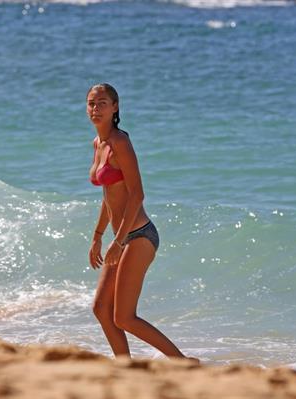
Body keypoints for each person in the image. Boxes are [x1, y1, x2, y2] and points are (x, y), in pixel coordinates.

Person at [87, 83, 190, 359]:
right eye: (91, 104)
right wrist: (98, 236)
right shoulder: (98, 144)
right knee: (100, 309)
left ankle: (183, 363)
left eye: (102, 103)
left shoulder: (120, 142)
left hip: (139, 235)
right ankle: (126, 367)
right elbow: (109, 197)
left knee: (124, 317)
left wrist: (119, 241)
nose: (95, 109)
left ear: (115, 107)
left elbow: (137, 194)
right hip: (120, 237)